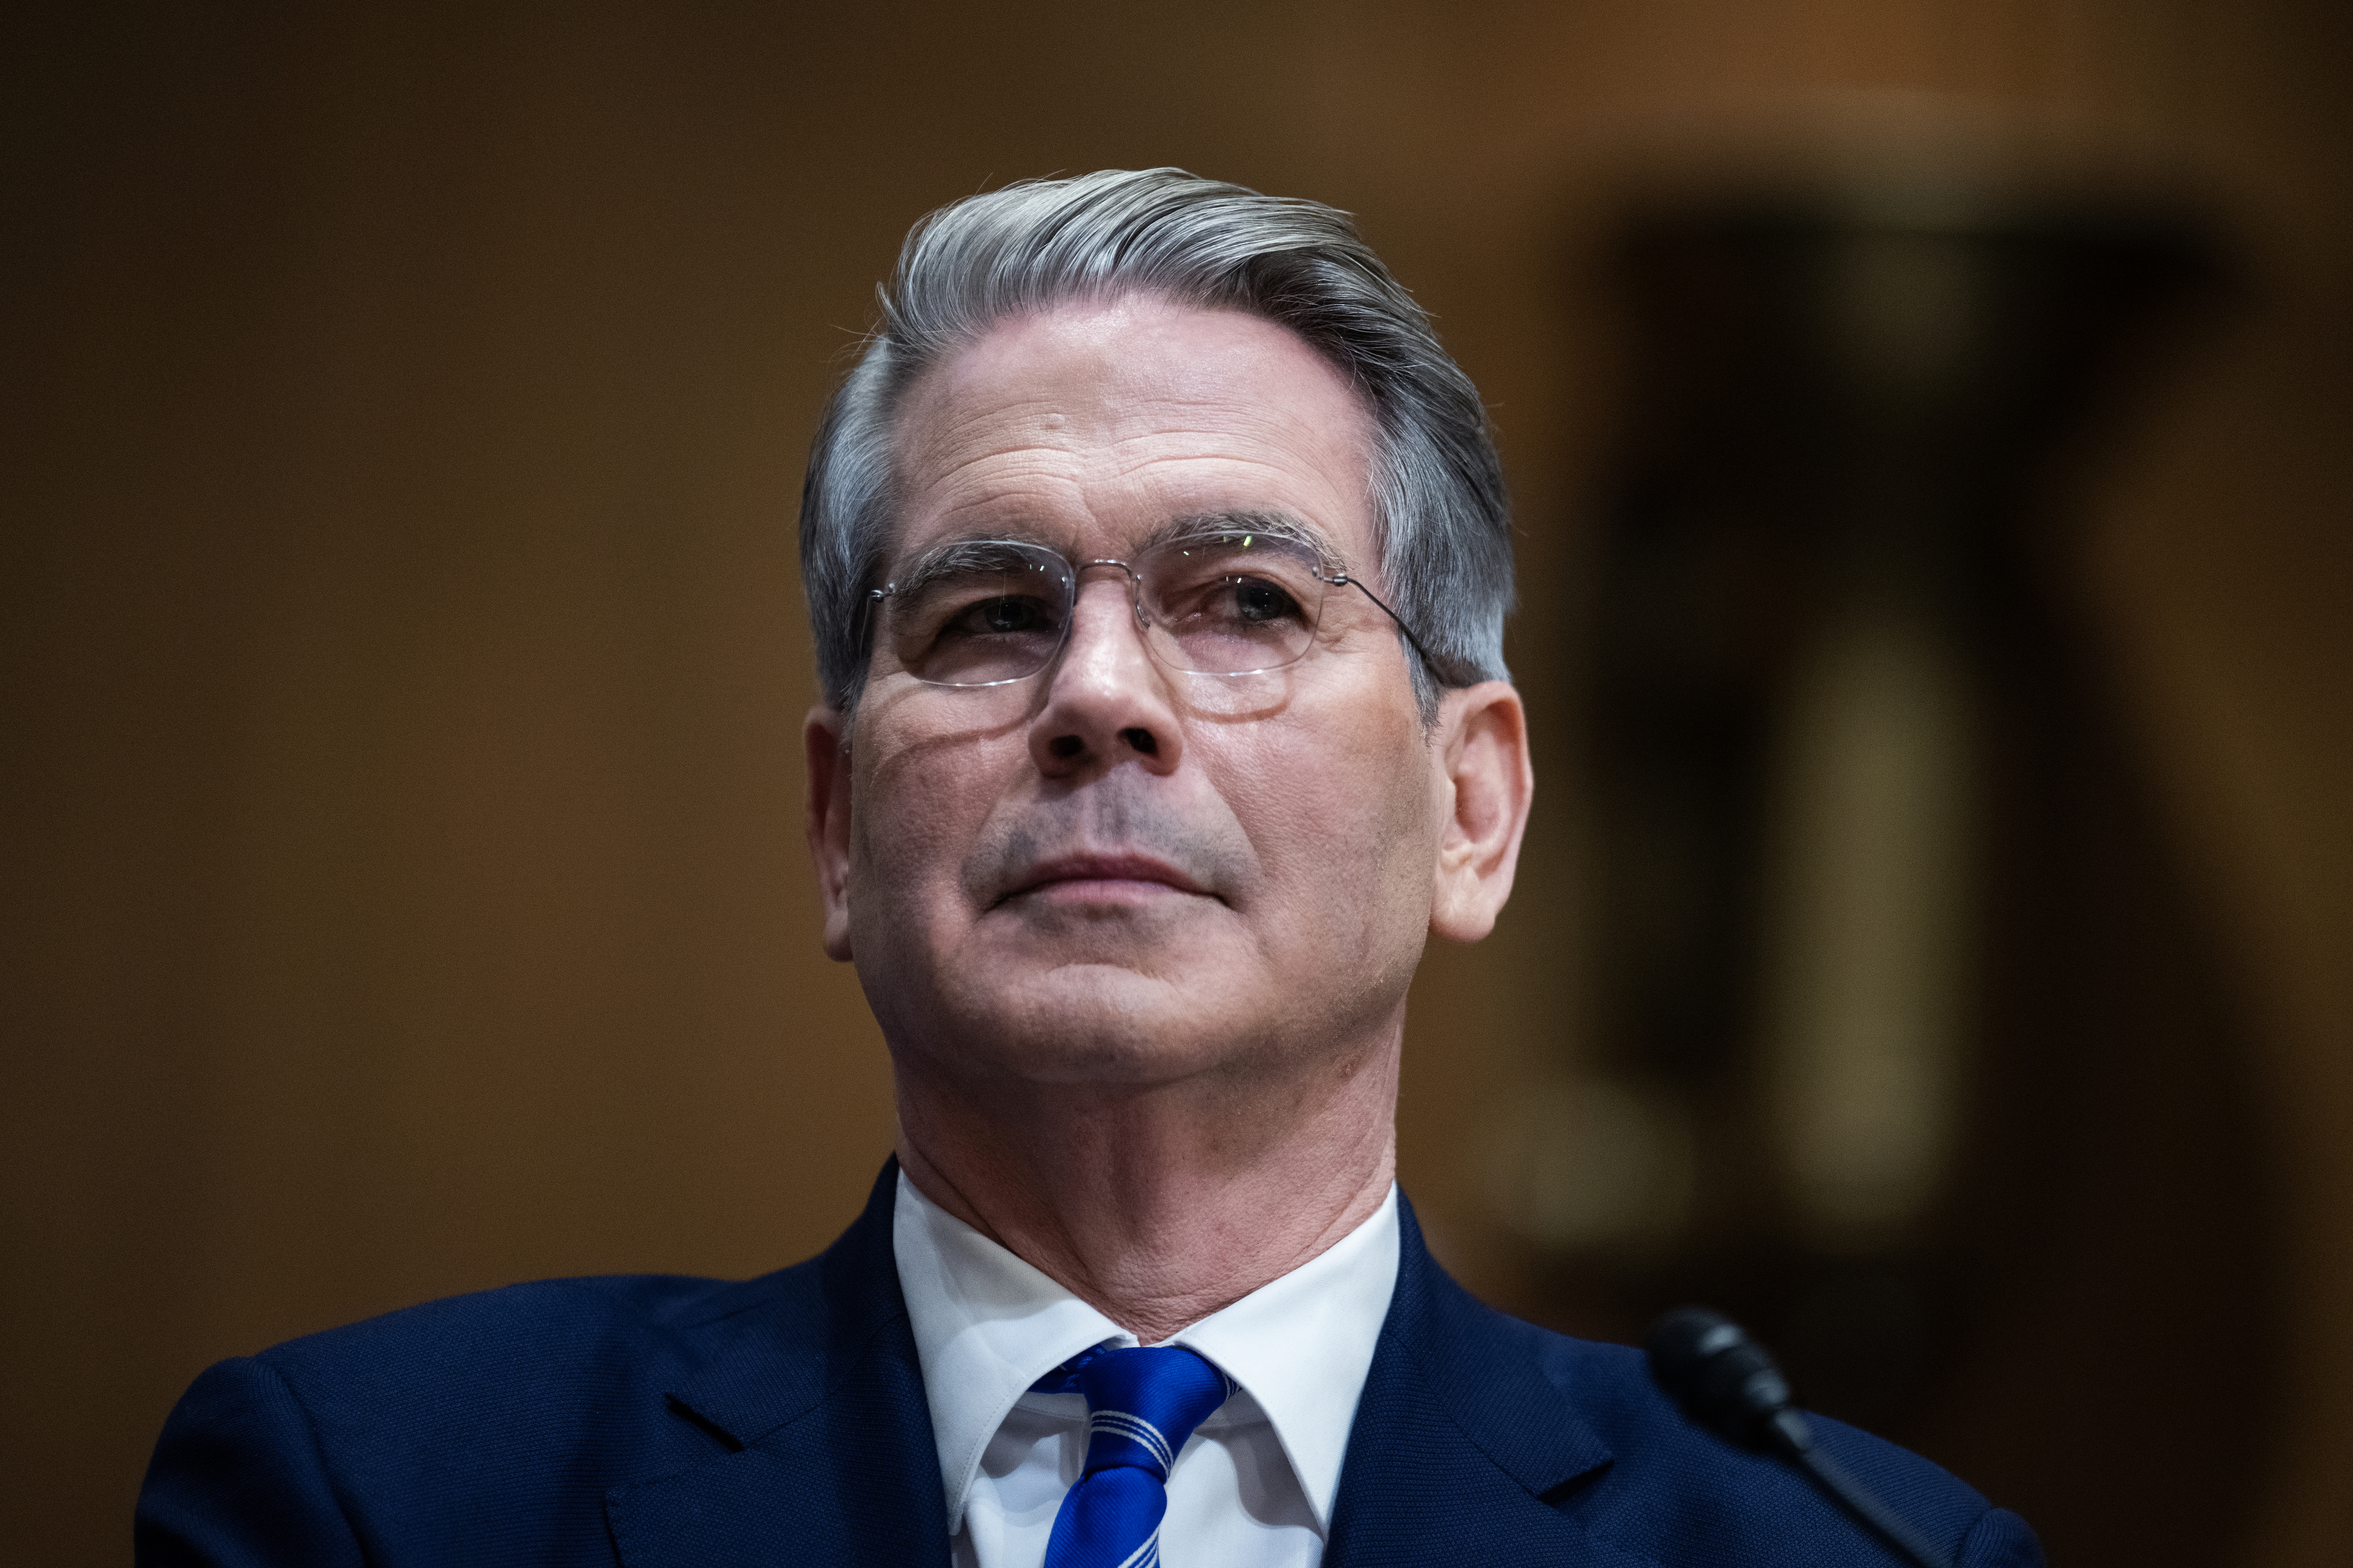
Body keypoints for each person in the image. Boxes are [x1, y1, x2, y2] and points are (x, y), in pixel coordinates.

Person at [136, 169, 2042, 1567]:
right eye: (986, 614)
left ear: (1475, 805)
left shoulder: (1853, 1553)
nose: (1100, 696)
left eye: (1242, 600)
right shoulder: (376, 1495)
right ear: (835, 828)